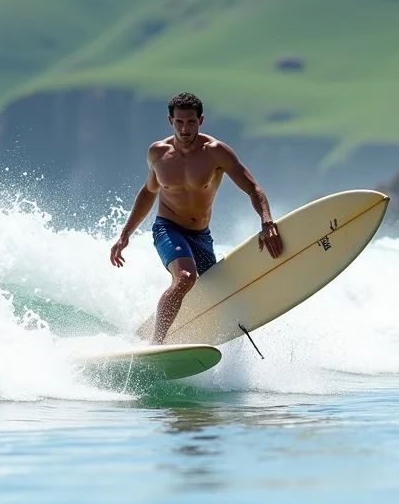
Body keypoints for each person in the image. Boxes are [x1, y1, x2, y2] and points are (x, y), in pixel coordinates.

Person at [109, 91, 284, 344]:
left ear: (201, 121)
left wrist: (267, 222)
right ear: (170, 121)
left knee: (215, 295)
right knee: (186, 278)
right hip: (167, 228)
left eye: (191, 122)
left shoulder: (216, 152)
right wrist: (125, 235)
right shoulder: (158, 153)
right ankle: (156, 343)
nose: (185, 128)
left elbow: (253, 188)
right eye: (179, 122)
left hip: (201, 235)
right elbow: (149, 192)